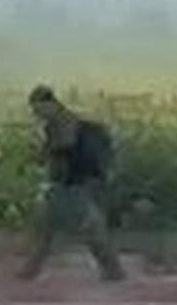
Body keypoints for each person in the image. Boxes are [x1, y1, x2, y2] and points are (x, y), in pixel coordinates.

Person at [18, 85, 124, 282]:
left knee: (88, 230)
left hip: (73, 183)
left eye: (38, 109)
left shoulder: (62, 122)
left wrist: (43, 155)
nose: (36, 114)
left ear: (49, 104)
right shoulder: (59, 123)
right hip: (69, 184)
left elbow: (63, 150)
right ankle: (30, 270)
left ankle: (113, 271)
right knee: (47, 228)